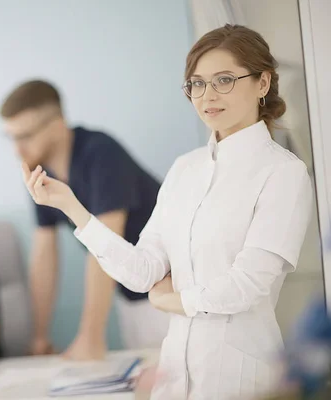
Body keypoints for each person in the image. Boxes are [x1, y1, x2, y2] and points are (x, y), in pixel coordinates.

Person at [21, 24, 313, 400]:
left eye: (224, 80)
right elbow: (142, 272)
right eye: (197, 83)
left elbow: (248, 286)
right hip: (175, 377)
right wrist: (71, 206)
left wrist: (173, 301)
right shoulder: (184, 169)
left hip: (240, 377)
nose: (208, 95)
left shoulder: (283, 172)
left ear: (262, 83)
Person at [0, 80, 169, 360]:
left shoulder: (101, 153)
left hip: (170, 290)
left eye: (25, 136)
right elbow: (44, 256)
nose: (17, 149)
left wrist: (90, 336)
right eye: (11, 137)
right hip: (131, 294)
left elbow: (104, 242)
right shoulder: (37, 168)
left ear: (57, 126)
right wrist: (39, 337)